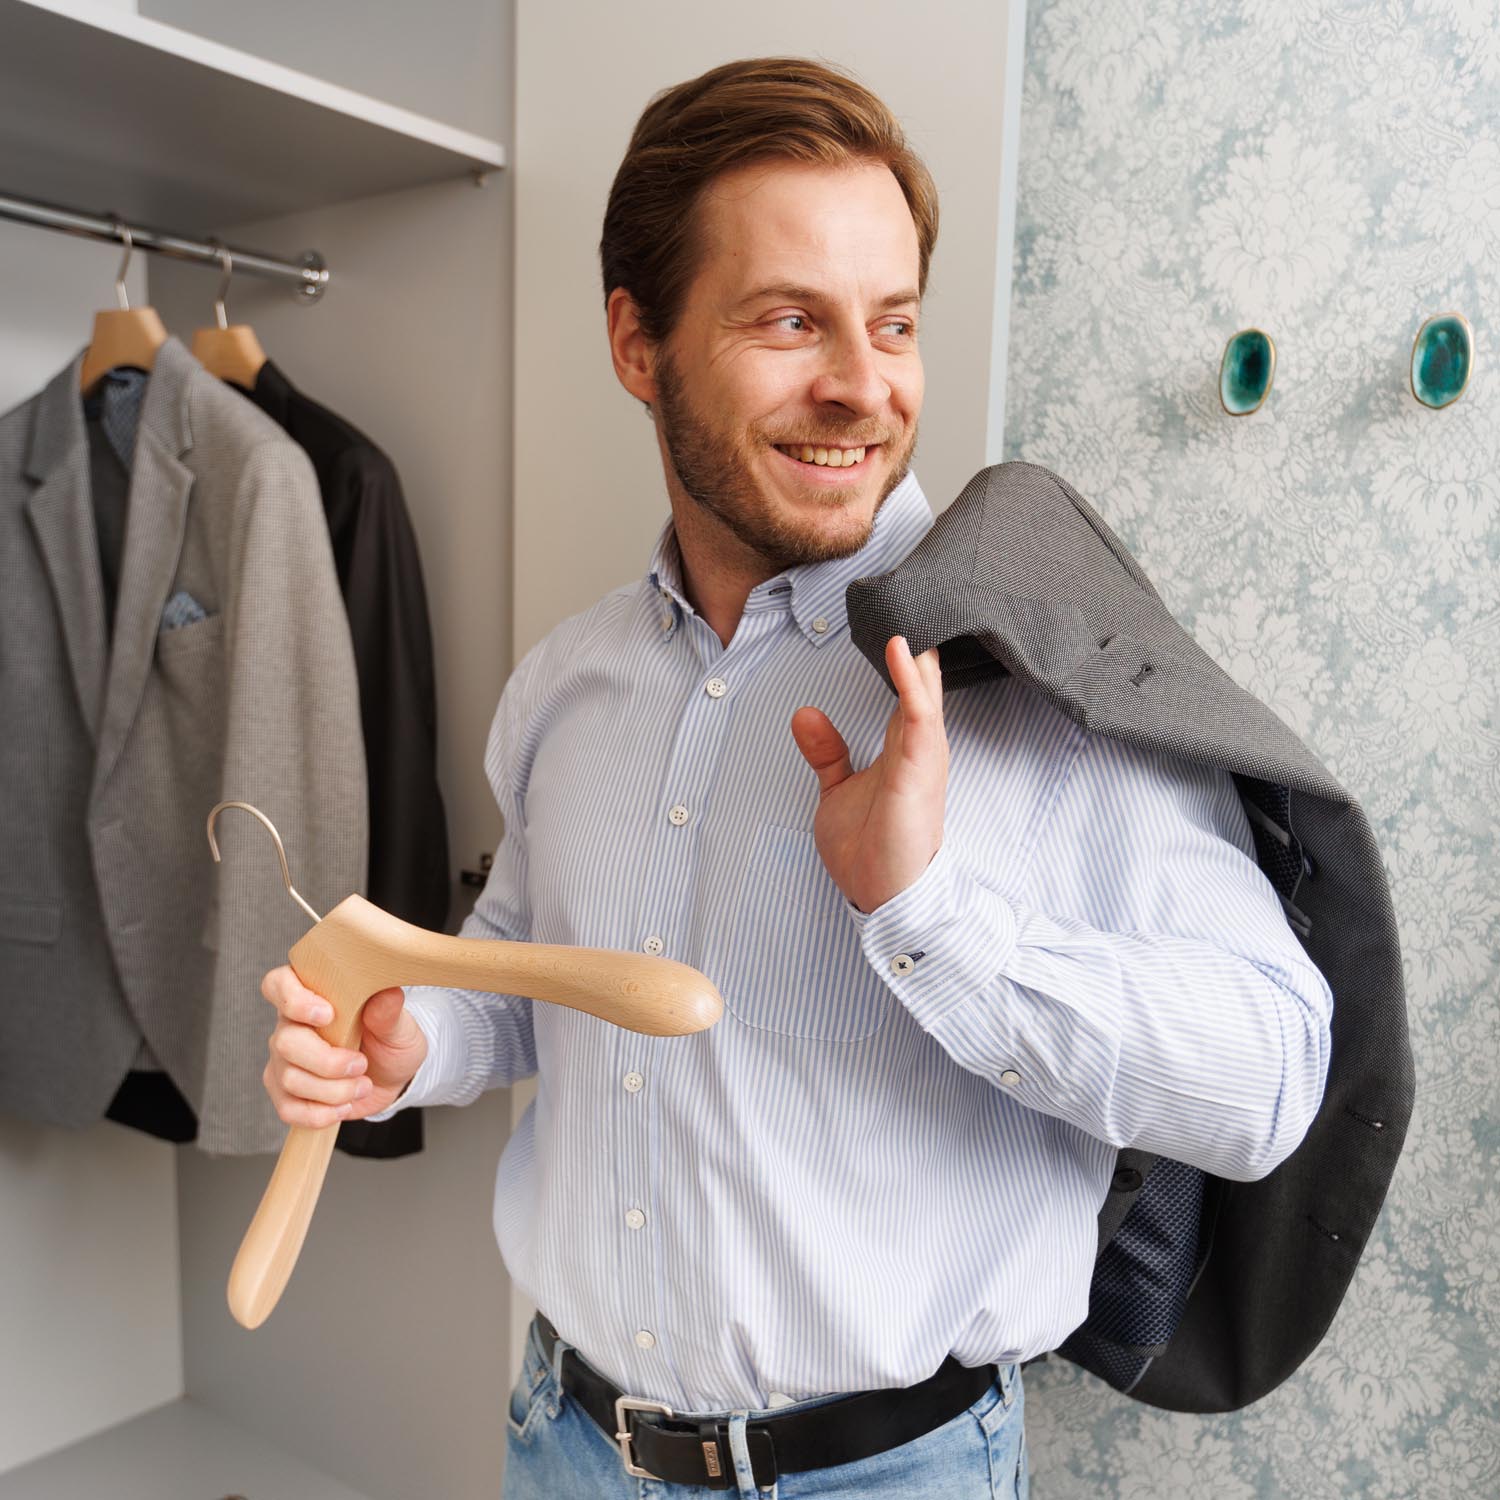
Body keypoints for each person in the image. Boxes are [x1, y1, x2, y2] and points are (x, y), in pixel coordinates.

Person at [258, 57, 1333, 1500]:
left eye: (893, 323)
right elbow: (528, 975)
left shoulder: (1033, 670)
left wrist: (929, 914)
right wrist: (414, 1043)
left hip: (888, 1475)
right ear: (638, 343)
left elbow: (1273, 1078)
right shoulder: (568, 686)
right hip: (562, 1444)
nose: (863, 386)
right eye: (789, 320)